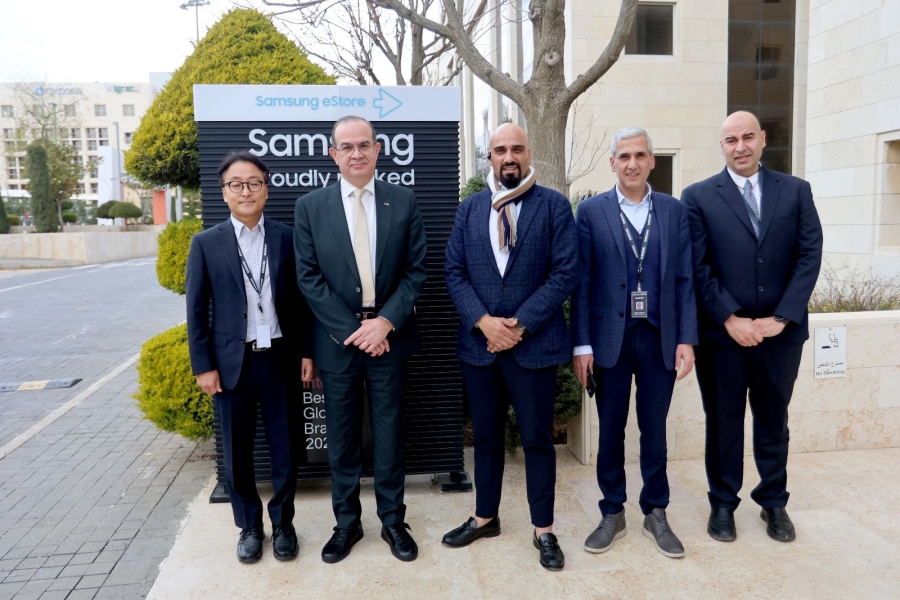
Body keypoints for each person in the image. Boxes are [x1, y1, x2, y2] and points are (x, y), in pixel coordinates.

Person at [683, 111, 823, 543]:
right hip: (722, 337)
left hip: (780, 336)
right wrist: (730, 318)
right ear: (721, 146)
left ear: (762, 139)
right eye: (731, 140)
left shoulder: (796, 191)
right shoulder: (698, 196)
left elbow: (809, 255)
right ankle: (723, 503)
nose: (740, 146)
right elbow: (698, 265)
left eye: (747, 137)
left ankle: (774, 502)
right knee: (723, 423)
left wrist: (781, 318)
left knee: (773, 420)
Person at [293, 115, 427, 564]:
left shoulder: (403, 200)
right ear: (334, 154)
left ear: (377, 149)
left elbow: (415, 272)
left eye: (364, 145)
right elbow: (308, 278)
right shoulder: (310, 207)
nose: (356, 153)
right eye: (346, 147)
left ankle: (393, 521)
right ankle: (346, 524)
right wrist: (356, 332)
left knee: (389, 436)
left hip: (390, 338)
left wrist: (384, 323)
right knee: (342, 438)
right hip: (339, 343)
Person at [443, 123, 577, 571]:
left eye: (516, 148)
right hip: (480, 348)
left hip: (533, 346)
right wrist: (483, 322)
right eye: (500, 150)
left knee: (538, 441)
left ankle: (544, 529)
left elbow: (564, 273)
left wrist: (518, 325)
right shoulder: (469, 209)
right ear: (490, 157)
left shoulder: (553, 206)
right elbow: (454, 271)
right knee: (485, 439)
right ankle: (485, 517)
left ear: (529, 153)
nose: (509, 157)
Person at [571, 127, 697, 559]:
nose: (632, 163)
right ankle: (612, 511)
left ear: (652, 161)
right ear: (612, 163)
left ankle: (655, 511)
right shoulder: (591, 212)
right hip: (610, 339)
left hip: (660, 337)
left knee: (654, 430)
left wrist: (687, 339)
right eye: (624, 156)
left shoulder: (673, 211)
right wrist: (581, 345)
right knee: (610, 430)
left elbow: (685, 279)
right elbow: (582, 282)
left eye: (640, 155)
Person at [185, 151, 314, 564]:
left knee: (287, 447)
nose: (246, 191)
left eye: (254, 182)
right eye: (236, 184)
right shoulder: (206, 243)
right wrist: (203, 366)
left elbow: (303, 302)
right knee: (237, 451)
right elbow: (196, 310)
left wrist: (307, 352)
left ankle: (284, 524)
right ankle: (249, 527)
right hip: (231, 363)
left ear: (266, 189)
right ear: (224, 193)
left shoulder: (288, 237)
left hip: (280, 358)